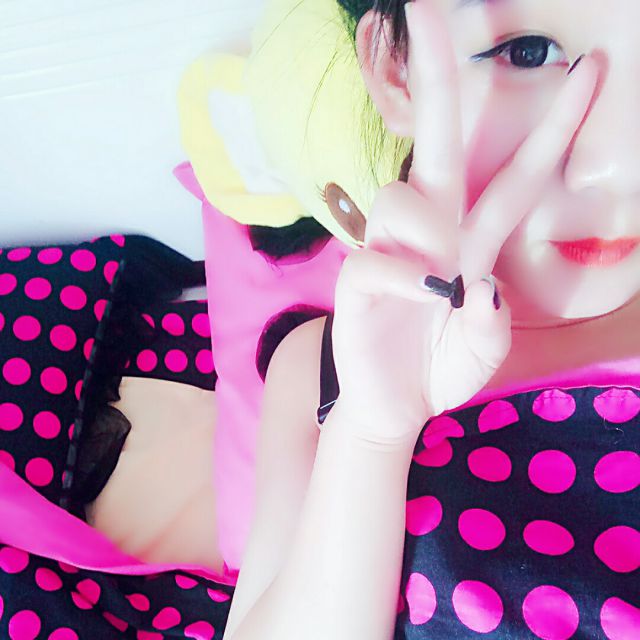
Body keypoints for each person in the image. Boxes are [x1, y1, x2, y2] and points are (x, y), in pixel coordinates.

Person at [220, 0, 640, 639]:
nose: (620, 169)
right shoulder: (325, 373)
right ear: (395, 66)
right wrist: (371, 438)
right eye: (527, 51)